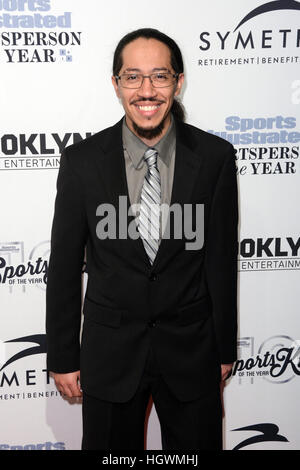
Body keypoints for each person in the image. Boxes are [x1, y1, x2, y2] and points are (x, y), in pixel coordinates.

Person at [46, 28, 238, 450]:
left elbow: (221, 263)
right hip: (110, 354)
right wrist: (62, 356)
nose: (146, 90)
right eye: (133, 77)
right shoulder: (81, 163)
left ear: (179, 82)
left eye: (160, 76)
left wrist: (224, 350)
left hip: (192, 353)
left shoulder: (215, 158)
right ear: (116, 84)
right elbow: (62, 267)